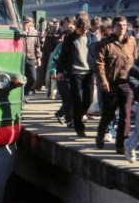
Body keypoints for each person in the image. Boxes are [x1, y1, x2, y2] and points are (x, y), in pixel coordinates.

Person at [95, 16, 136, 155]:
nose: (122, 28)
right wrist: (103, 80)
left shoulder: (131, 42)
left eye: (124, 25)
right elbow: (99, 64)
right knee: (109, 113)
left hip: (127, 83)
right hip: (110, 83)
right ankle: (101, 133)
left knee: (125, 115)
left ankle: (121, 144)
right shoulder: (105, 44)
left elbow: (135, 61)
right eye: (119, 25)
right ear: (113, 28)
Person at [56, 12, 94, 138]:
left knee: (88, 100)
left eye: (85, 30)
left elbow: (97, 54)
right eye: (81, 30)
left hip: (89, 72)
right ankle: (79, 128)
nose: (83, 32)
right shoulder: (69, 39)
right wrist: (60, 71)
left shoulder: (91, 37)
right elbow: (63, 56)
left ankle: (76, 115)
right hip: (75, 72)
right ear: (77, 27)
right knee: (77, 99)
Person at [22, 16, 41, 103]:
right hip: (20, 59)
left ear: (30, 24)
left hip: (31, 58)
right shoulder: (19, 32)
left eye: (27, 23)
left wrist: (38, 58)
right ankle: (21, 96)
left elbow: (37, 46)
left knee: (33, 78)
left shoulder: (34, 33)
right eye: (24, 23)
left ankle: (25, 93)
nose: (25, 24)